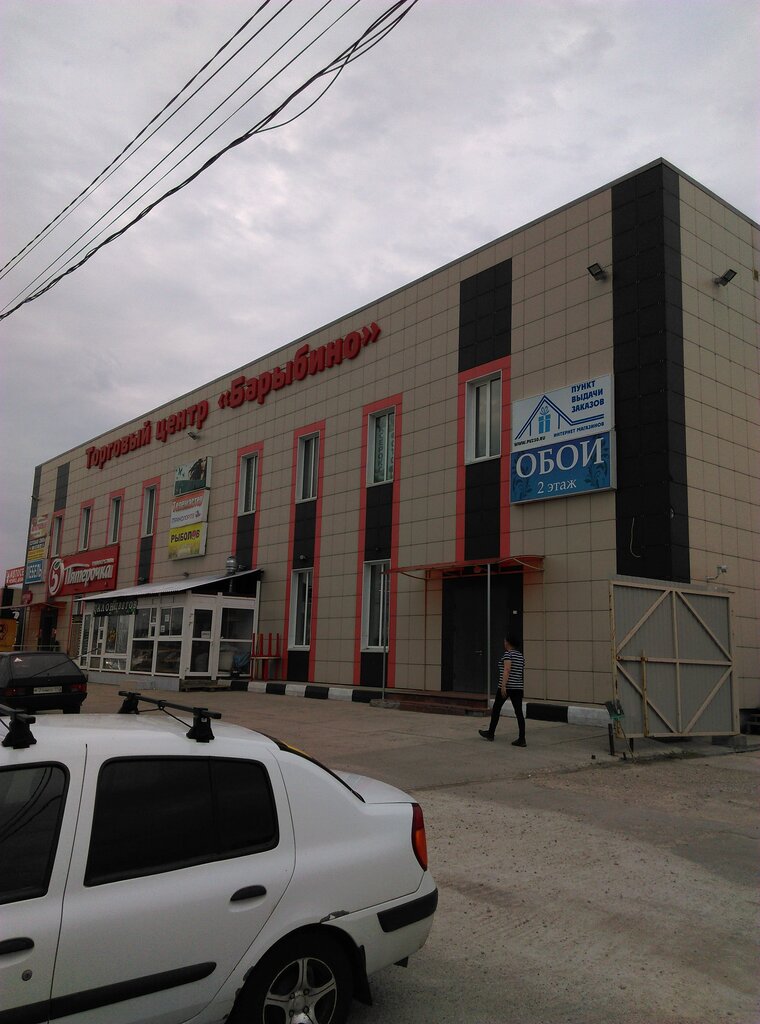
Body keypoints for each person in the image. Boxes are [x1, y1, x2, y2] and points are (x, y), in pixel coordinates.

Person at [479, 636, 526, 746]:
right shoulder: (520, 656)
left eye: (505, 641)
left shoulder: (508, 654)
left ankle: (491, 733)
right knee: (519, 712)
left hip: (507, 687)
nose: (504, 643)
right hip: (518, 687)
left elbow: (507, 669)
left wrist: (503, 685)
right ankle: (522, 738)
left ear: (508, 643)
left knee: (496, 709)